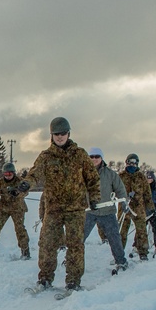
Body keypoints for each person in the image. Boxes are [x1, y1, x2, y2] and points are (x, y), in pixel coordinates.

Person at [24, 117, 99, 292]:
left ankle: (73, 281)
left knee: (75, 245)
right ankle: (45, 278)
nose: (60, 137)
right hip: (54, 209)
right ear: (51, 135)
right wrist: (25, 185)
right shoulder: (46, 156)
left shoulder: (80, 154)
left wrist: (94, 198)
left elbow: (93, 178)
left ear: (68, 134)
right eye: (56, 134)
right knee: (47, 243)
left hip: (75, 209)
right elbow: (34, 174)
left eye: (63, 133)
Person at [83, 147, 129, 272]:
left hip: (107, 212)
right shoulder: (83, 173)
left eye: (97, 156)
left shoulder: (110, 174)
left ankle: (121, 261)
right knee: (78, 237)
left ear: (101, 158)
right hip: (89, 212)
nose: (94, 159)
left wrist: (124, 202)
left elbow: (120, 189)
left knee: (114, 238)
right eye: (91, 157)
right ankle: (72, 262)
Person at [0, 162, 30, 259]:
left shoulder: (20, 181)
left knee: (20, 229)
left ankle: (25, 251)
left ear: (13, 173)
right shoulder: (0, 183)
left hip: (17, 208)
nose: (7, 176)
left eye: (9, 174)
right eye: (5, 174)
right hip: (3, 208)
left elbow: (25, 192)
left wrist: (17, 192)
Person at [118, 153, 152, 260]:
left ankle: (143, 252)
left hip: (138, 208)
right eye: (130, 162)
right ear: (126, 162)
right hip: (124, 207)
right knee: (121, 232)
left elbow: (147, 193)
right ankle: (118, 255)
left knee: (141, 230)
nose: (132, 164)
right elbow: (114, 190)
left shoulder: (141, 177)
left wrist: (150, 207)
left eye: (134, 162)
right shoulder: (121, 176)